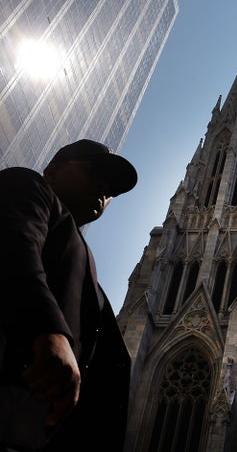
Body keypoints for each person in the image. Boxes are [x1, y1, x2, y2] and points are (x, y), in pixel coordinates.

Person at [0, 139, 137, 451]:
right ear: (52, 171)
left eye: (112, 189)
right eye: (94, 171)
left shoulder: (88, 267)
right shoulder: (29, 186)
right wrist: (47, 328)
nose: (104, 188)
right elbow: (13, 240)